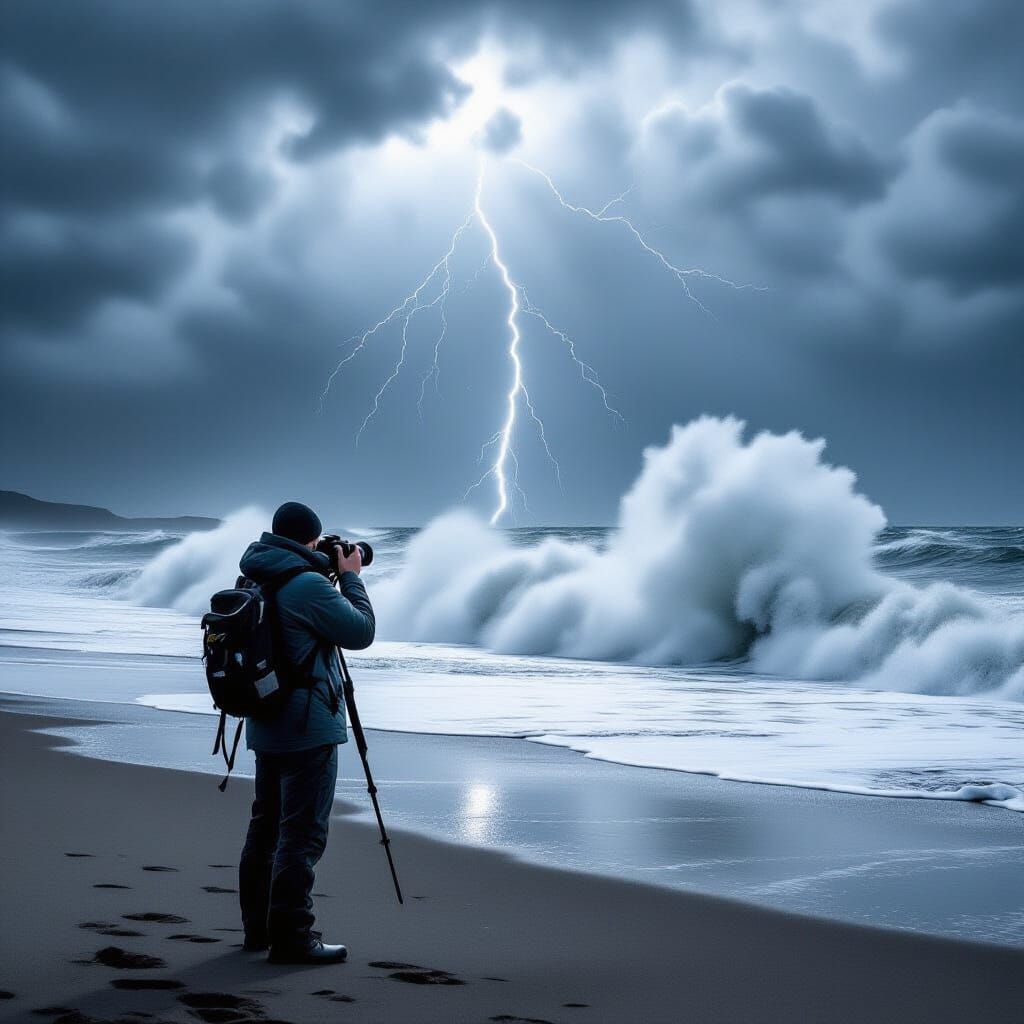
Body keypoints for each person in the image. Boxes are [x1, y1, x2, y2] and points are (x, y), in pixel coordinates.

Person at [236, 500, 375, 965]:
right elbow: (359, 632)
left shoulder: (255, 575)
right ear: (312, 541)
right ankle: (293, 936)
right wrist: (352, 577)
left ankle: (257, 930)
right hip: (308, 727)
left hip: (265, 721)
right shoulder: (306, 584)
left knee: (265, 829)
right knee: (301, 836)